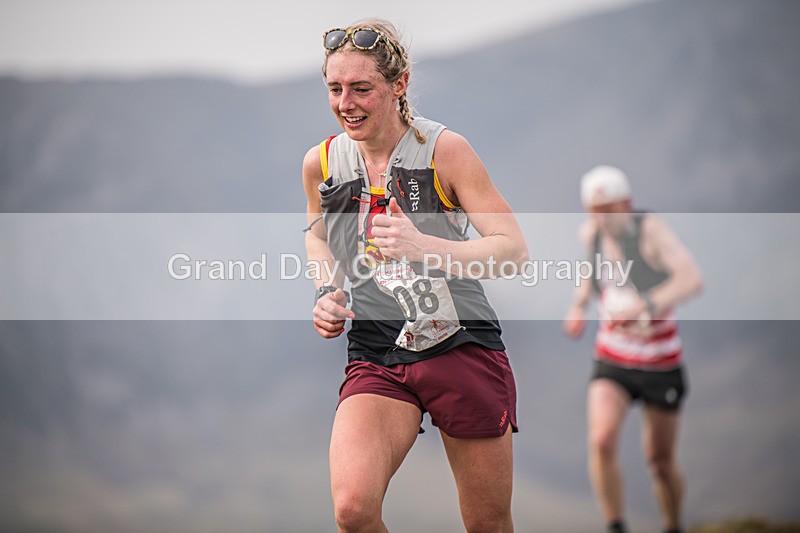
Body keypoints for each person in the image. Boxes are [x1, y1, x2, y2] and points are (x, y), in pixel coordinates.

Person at [301, 18, 528, 533]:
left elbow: (513, 250)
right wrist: (326, 289)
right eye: (334, 89)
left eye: (362, 89)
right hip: (377, 350)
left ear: (398, 84)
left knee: (487, 525)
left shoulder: (445, 150)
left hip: (461, 345)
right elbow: (316, 235)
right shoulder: (322, 162)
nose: (345, 104)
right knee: (353, 512)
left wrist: (426, 245)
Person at [563, 165, 703, 533]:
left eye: (609, 209)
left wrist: (645, 306)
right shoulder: (591, 234)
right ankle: (615, 525)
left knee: (659, 460)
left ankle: (673, 525)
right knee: (602, 440)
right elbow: (588, 276)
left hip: (660, 361)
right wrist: (577, 308)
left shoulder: (650, 231)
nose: (602, 218)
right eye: (595, 211)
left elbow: (691, 279)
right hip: (612, 357)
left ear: (627, 203)